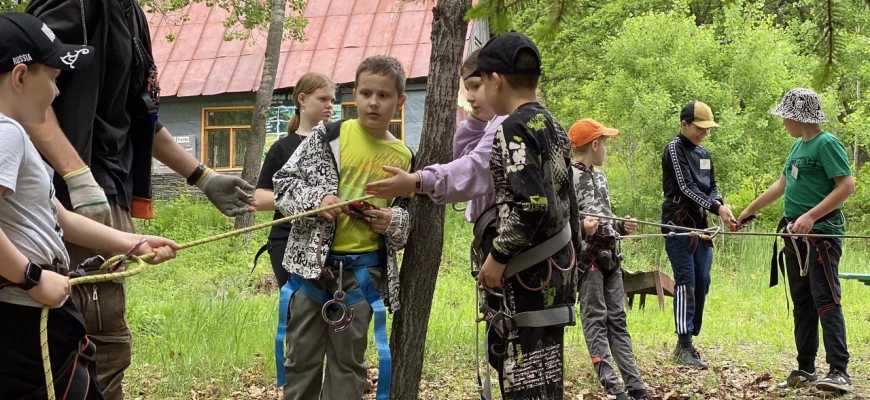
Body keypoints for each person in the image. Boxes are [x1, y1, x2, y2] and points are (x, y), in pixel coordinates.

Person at [23, 0, 255, 397]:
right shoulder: (69, 5)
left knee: (106, 342)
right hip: (60, 196)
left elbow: (141, 117)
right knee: (82, 337)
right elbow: (28, 99)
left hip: (109, 188)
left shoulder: (130, 15)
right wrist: (77, 176)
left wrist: (203, 176)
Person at [0, 13, 177, 399]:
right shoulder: (6, 133)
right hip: (27, 317)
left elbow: (57, 217)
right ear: (19, 78)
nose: (57, 94)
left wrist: (132, 243)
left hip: (41, 312)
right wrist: (31, 277)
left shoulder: (16, 136)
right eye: (53, 79)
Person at [272, 55, 412, 400]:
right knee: (300, 359)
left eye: (383, 95)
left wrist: (389, 221)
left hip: (362, 275)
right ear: (355, 96)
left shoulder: (405, 157)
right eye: (365, 93)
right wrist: (318, 200)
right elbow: (283, 185)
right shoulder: (329, 137)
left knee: (348, 365)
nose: (373, 103)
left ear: (400, 101)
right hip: (311, 271)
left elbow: (406, 222)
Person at [475, 32, 579, 400]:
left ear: (496, 79)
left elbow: (531, 205)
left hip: (526, 280)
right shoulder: (553, 125)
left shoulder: (513, 127)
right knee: (547, 382)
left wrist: (497, 258)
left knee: (523, 383)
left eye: (481, 81)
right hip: (558, 270)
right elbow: (570, 202)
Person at [738, 88, 854, 393]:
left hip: (821, 238)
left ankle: (839, 371)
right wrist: (749, 210)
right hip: (794, 239)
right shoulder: (796, 148)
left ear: (796, 116)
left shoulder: (826, 143)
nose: (783, 122)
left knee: (825, 300)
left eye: (785, 116)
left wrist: (812, 216)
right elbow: (782, 184)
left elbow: (846, 185)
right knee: (802, 303)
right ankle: (805, 368)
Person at [365, 48, 507, 226]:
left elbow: (476, 168)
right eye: (468, 88)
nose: (470, 97)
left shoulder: (508, 123)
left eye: (477, 86)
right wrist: (477, 119)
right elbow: (466, 157)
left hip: (507, 242)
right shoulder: (496, 122)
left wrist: (417, 181)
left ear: (497, 81)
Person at [569, 119, 648, 400]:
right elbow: (559, 222)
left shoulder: (600, 176)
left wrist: (620, 226)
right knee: (595, 317)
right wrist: (581, 228)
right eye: (605, 144)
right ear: (595, 144)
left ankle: (635, 383)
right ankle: (612, 384)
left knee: (617, 318)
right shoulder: (568, 177)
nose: (606, 150)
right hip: (587, 260)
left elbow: (605, 212)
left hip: (611, 256)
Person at [660, 100, 735, 369]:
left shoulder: (704, 154)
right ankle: (683, 343)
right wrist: (716, 206)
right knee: (686, 281)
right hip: (677, 224)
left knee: (702, 280)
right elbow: (685, 188)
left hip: (701, 226)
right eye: (699, 128)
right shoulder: (673, 149)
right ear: (684, 124)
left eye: (707, 128)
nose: (705, 132)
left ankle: (691, 337)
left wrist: (721, 206)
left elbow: (712, 187)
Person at [255, 72, 335, 287]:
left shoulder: (337, 146)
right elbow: (260, 198)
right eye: (323, 99)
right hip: (287, 239)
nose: (330, 105)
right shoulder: (282, 148)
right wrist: (310, 201)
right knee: (297, 313)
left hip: (330, 242)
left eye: (332, 100)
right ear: (302, 99)